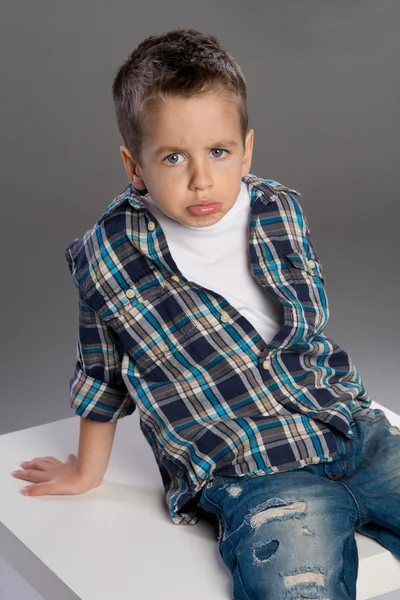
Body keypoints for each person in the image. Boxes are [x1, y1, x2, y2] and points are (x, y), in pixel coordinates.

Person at [11, 27, 400, 600]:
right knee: (298, 588)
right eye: (173, 157)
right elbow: (101, 370)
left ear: (246, 148)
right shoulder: (109, 253)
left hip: (348, 428)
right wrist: (86, 471)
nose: (201, 178)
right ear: (134, 165)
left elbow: (305, 333)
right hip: (252, 464)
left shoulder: (280, 210)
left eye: (218, 152)